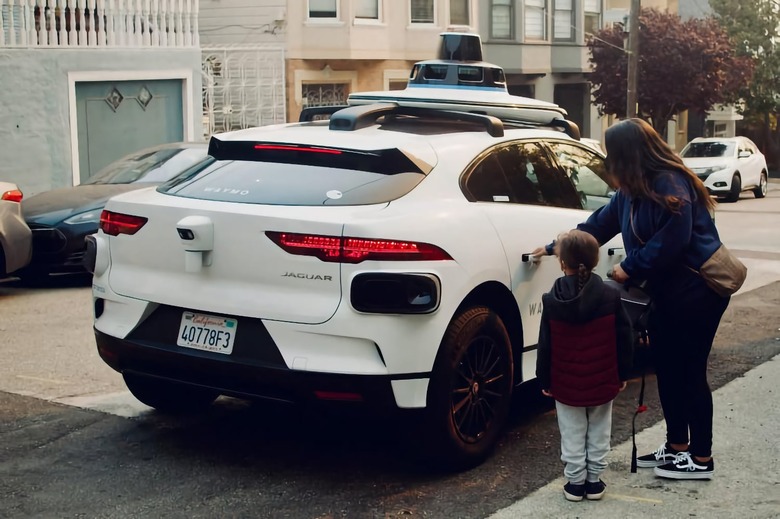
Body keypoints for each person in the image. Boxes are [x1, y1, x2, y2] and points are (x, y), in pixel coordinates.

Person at [533, 118, 733, 481]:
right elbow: (596, 227)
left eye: (612, 154)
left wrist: (629, 267)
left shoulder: (670, 183)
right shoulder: (631, 192)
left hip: (698, 292)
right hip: (670, 294)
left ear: (628, 154)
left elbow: (675, 240)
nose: (609, 162)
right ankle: (677, 448)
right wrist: (554, 246)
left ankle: (701, 458)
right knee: (669, 369)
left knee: (689, 371)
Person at [536, 229, 634, 502]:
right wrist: (622, 373)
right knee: (600, 430)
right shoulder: (610, 296)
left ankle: (575, 483)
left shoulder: (552, 300)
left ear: (562, 263)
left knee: (572, 431)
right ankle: (594, 481)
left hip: (565, 383)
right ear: (595, 260)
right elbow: (624, 338)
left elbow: (545, 344)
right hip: (603, 379)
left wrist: (545, 379)